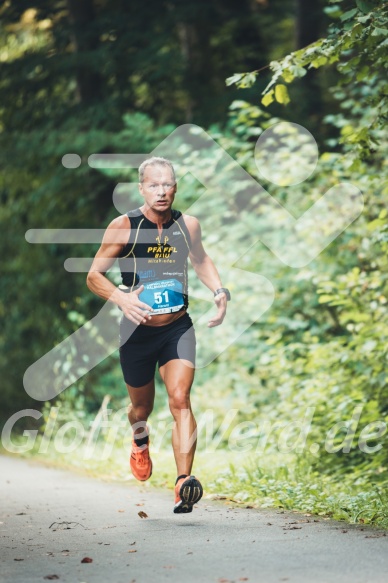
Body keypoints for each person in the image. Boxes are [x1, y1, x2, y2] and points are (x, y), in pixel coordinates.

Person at [86, 156, 230, 514]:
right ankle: (139, 440)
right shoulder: (125, 226)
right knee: (141, 408)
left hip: (177, 328)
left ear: (176, 187)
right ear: (142, 188)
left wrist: (219, 290)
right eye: (154, 184)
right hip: (136, 332)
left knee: (180, 398)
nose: (161, 191)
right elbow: (93, 275)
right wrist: (120, 298)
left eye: (167, 184)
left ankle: (184, 482)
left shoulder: (187, 225)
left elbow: (200, 259)